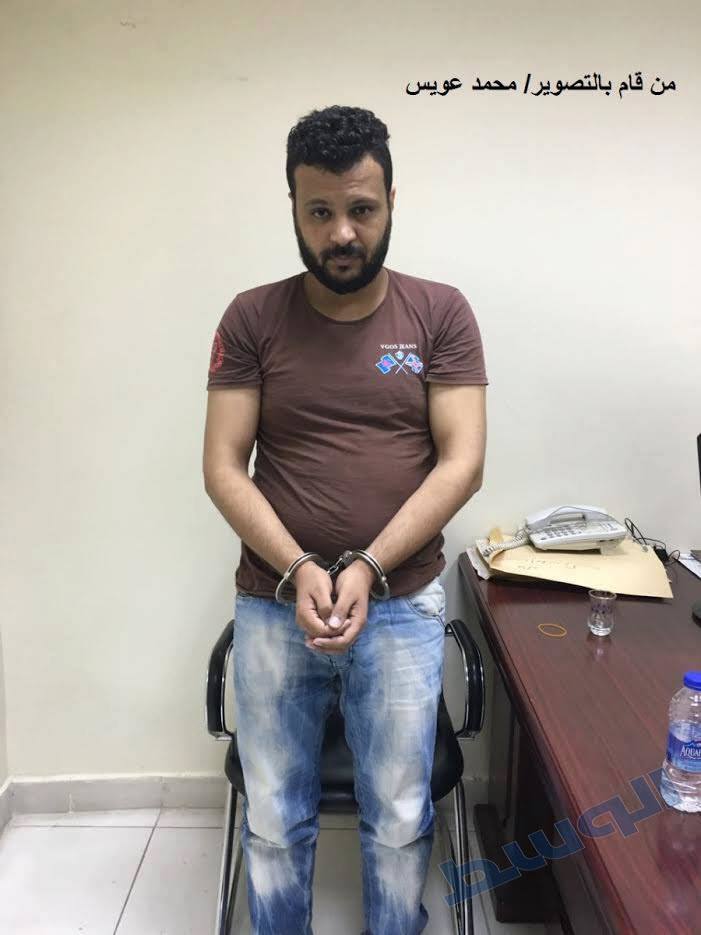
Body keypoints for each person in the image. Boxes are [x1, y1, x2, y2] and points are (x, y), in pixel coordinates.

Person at [203, 105, 488, 935]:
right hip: (273, 602)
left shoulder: (440, 313)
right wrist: (300, 569)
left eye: (360, 209)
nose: (340, 233)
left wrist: (365, 565)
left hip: (399, 604)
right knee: (271, 816)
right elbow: (223, 465)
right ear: (292, 208)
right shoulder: (251, 317)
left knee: (397, 816)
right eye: (319, 210)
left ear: (391, 200)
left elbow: (461, 462)